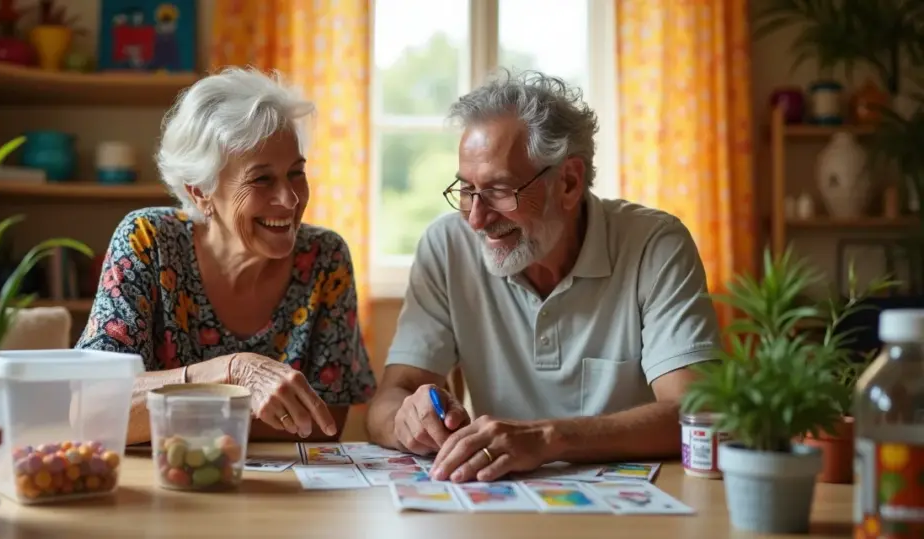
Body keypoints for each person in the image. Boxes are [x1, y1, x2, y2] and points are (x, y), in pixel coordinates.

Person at [365, 70, 721, 483]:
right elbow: (387, 401)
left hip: (639, 506)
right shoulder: (447, 246)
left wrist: (549, 438)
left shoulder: (655, 244)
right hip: (497, 500)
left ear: (568, 182)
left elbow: (697, 412)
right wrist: (407, 419)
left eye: (499, 190)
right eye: (466, 189)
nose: (477, 219)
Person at [76, 67, 377, 445]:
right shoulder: (147, 241)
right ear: (200, 190)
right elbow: (92, 407)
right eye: (262, 179)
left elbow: (323, 420)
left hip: (282, 495)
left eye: (296, 173)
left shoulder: (325, 258)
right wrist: (230, 372)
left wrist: (168, 410)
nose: (290, 199)